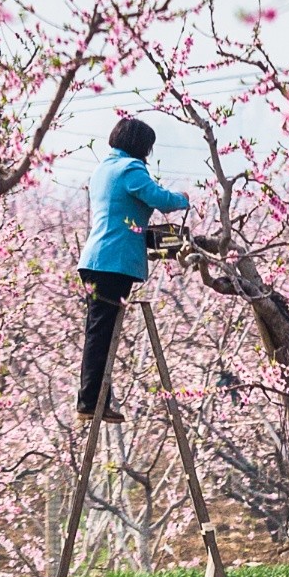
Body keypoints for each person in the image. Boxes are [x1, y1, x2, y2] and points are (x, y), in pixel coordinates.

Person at [74, 114, 187, 418]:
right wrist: (183, 198)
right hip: (113, 263)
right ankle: (90, 402)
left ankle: (95, 401)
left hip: (95, 260)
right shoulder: (130, 169)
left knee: (99, 331)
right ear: (140, 146)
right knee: (102, 333)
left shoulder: (103, 169)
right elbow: (161, 199)